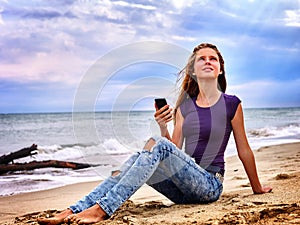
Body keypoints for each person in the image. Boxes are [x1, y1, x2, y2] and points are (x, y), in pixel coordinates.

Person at [38, 43, 272, 225]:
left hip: (209, 186)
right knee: (142, 155)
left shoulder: (232, 104)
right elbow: (173, 150)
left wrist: (257, 188)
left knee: (154, 145)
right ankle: (74, 209)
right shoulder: (184, 107)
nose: (208, 61)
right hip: (183, 190)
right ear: (193, 68)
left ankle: (101, 210)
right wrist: (163, 127)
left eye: (213, 59)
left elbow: (244, 149)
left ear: (220, 68)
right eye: (202, 59)